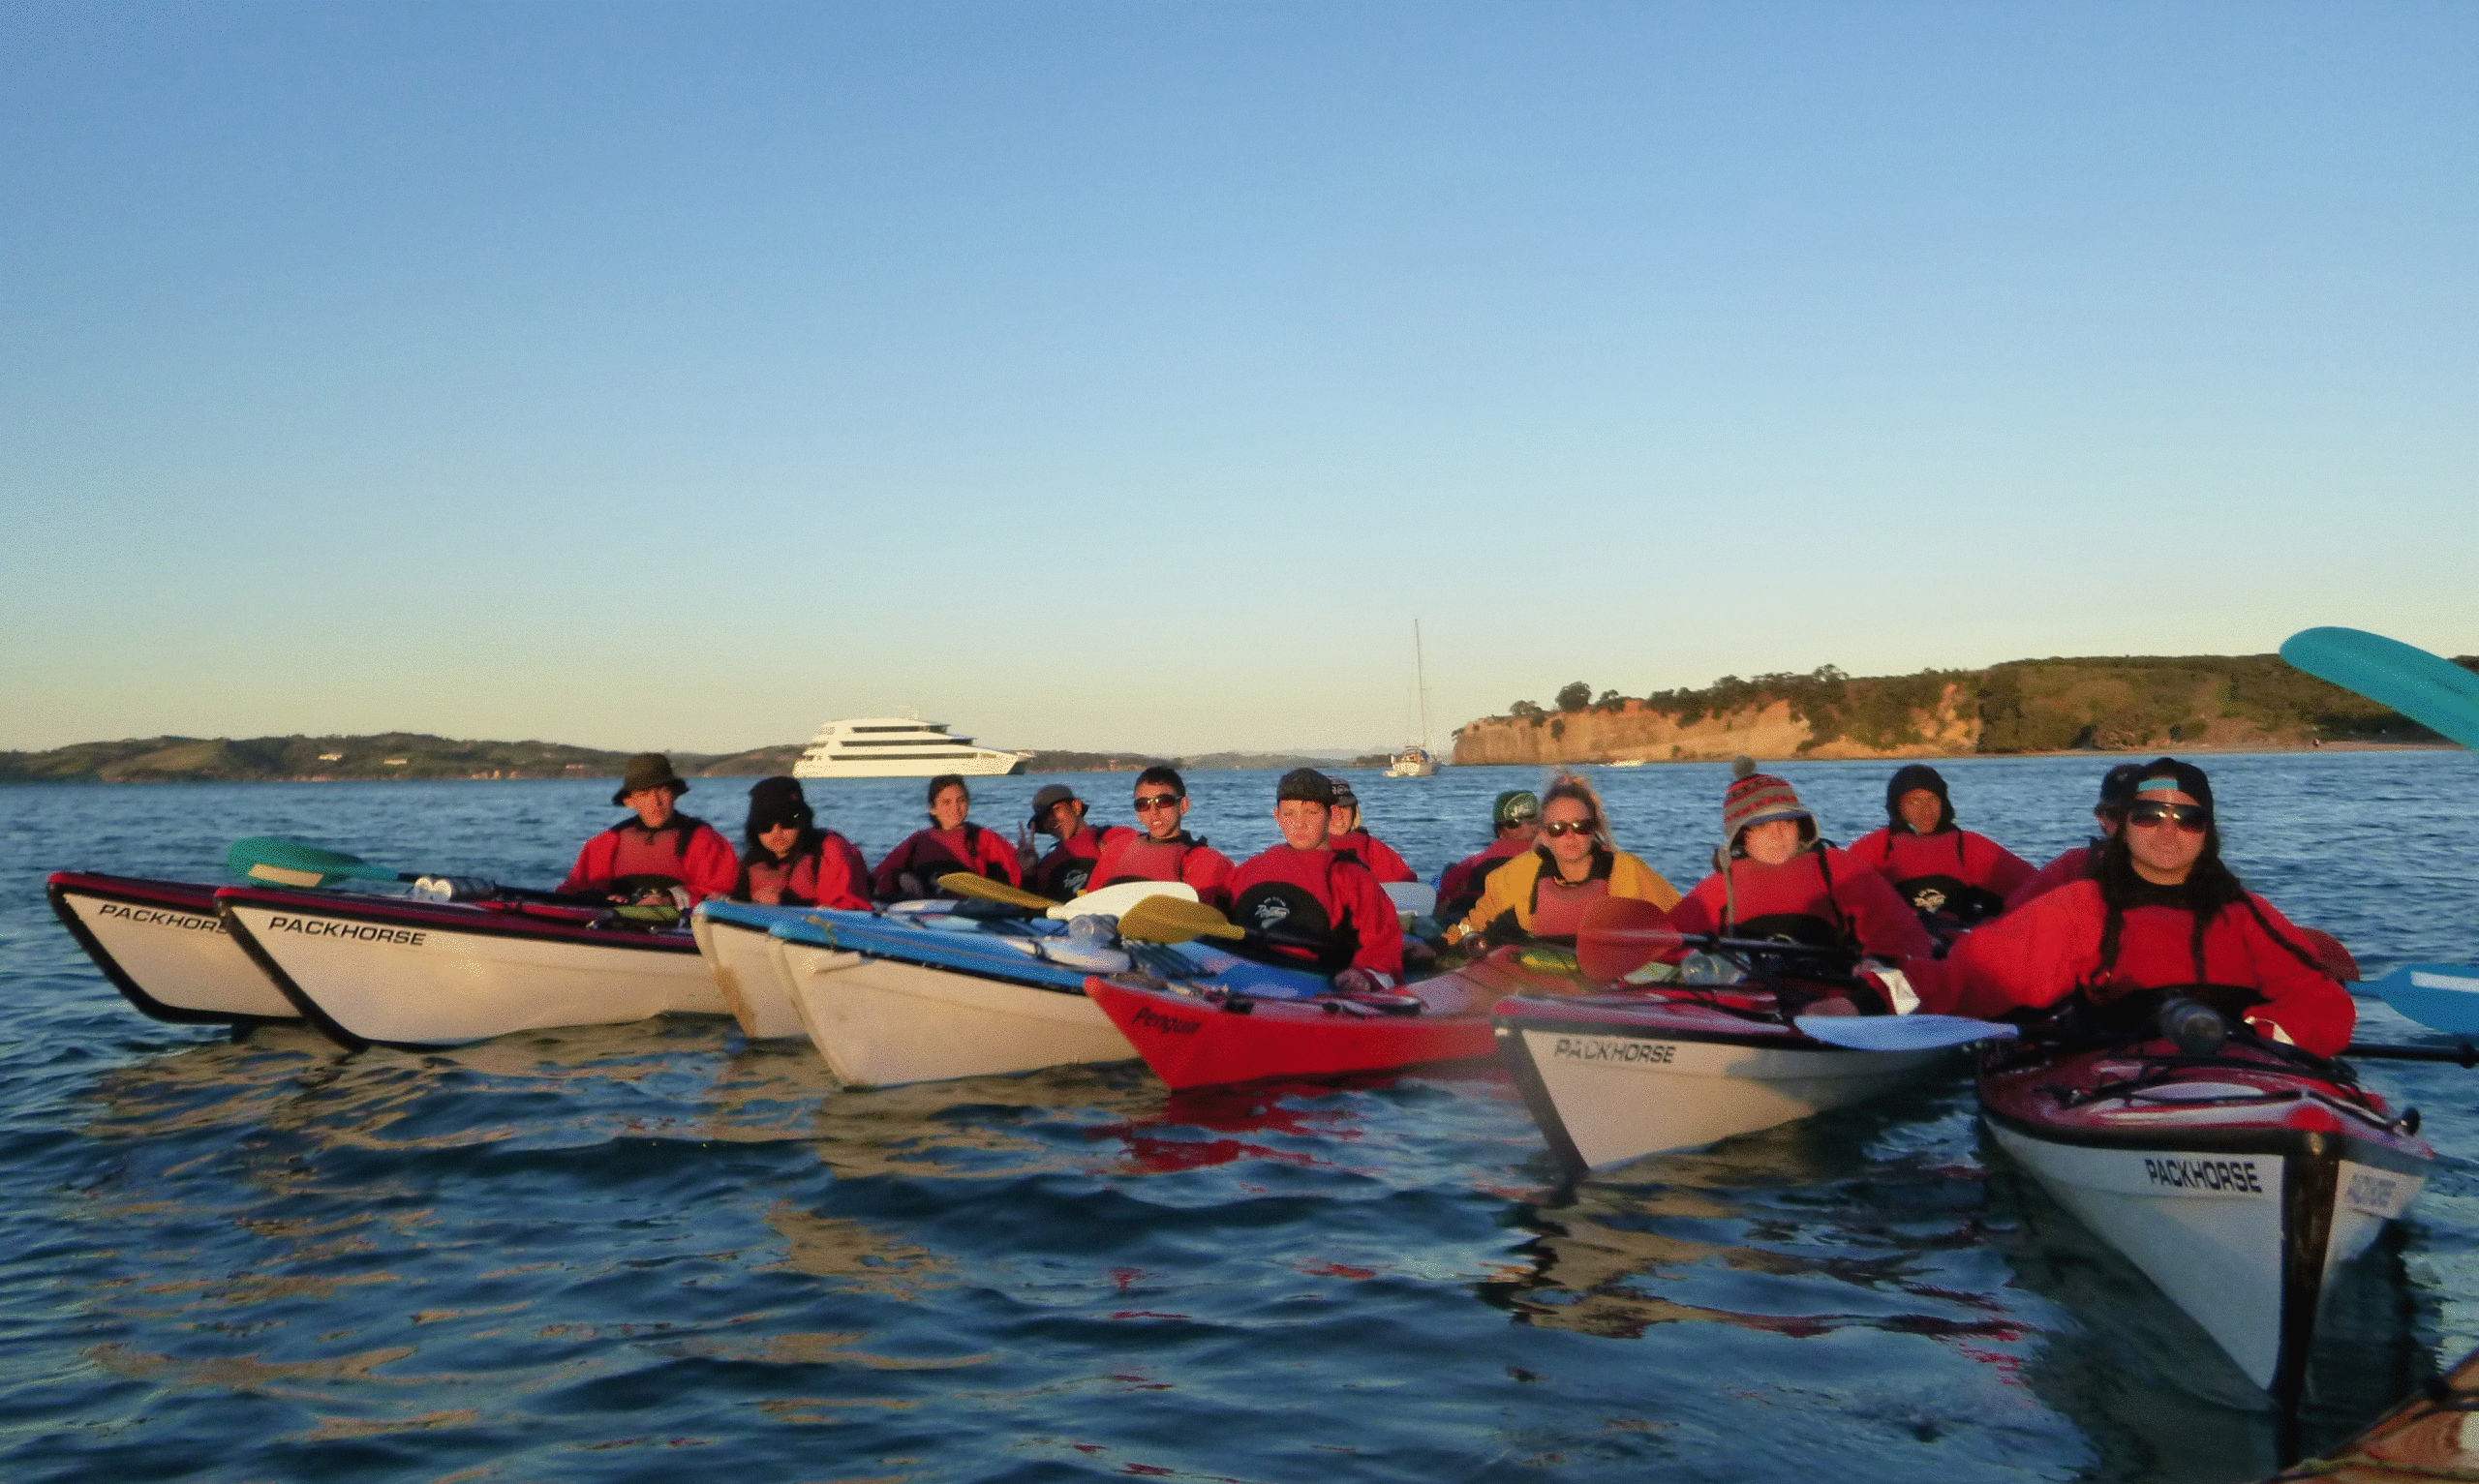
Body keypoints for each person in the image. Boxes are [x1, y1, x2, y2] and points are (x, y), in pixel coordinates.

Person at [1901, 758, 2353, 1055]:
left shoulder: (2246, 913)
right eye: (2147, 816)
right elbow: (1968, 976)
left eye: (2187, 818)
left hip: (2228, 1074)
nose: (2167, 832)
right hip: (2115, 1070)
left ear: (2207, 830)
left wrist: (2251, 1036)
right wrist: (1868, 998)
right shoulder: (2081, 906)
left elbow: (2325, 1005)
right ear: (2123, 826)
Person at [1667, 757, 1935, 970]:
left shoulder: (1838, 869)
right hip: (1750, 1007)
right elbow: (1665, 949)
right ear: (1740, 838)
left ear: (1802, 827)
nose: (1778, 835)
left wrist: (1879, 963)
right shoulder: (1720, 887)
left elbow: (1903, 936)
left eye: (1786, 823)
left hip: (1836, 1003)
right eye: (1761, 827)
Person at [1442, 774, 1678, 950]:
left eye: (1580, 826)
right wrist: (1441, 946)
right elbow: (1475, 923)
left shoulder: (1628, 871)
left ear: (1593, 828)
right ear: (1543, 834)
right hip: (1538, 989)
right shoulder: (1515, 875)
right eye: (1557, 828)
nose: (1570, 836)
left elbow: (1681, 920)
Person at [1223, 768, 1403, 987]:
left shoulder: (1354, 879)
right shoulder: (1248, 870)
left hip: (1315, 986)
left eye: (1311, 812)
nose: (1300, 823)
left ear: (1330, 814)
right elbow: (1213, 917)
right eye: (1289, 814)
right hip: (1245, 977)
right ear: (1277, 817)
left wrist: (1364, 975)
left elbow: (1382, 948)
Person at [1847, 764, 2035, 932]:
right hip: (1901, 946)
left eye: (1932, 800)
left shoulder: (1970, 847)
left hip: (1961, 945)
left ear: (1943, 803)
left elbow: (2036, 886)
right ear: (1897, 806)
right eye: (1914, 802)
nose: (1926, 810)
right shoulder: (1876, 848)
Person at [560, 753, 739, 902]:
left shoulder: (703, 840)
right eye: (645, 794)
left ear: (675, 793)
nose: (656, 802)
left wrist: (669, 899)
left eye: (663, 791)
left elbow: (723, 893)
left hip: (679, 932)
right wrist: (599, 900)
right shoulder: (604, 844)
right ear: (629, 801)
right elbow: (570, 893)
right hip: (617, 930)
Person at [2004, 762, 2148, 912]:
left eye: (2143, 813)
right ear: (2101, 818)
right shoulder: (2074, 867)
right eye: (2116, 814)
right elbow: (2010, 916)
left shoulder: (2171, 867)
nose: (2128, 825)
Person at [1086, 767, 1236, 908]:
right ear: (1138, 813)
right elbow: (1089, 899)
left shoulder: (1204, 861)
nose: (1154, 811)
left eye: (1163, 801)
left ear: (1183, 806)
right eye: (1143, 804)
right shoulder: (1117, 849)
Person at [871, 773, 1024, 902]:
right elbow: (876, 878)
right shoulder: (917, 841)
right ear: (932, 808)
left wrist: (1027, 867)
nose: (955, 808)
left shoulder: (983, 838)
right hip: (925, 915)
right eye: (946, 802)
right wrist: (899, 877)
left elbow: (1020, 877)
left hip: (970, 916)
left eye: (961, 801)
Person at [730, 775, 869, 909]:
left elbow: (848, 910)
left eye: (787, 821)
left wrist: (788, 904)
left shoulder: (829, 850)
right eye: (765, 824)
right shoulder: (751, 862)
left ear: (802, 819)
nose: (776, 831)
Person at [1435, 790, 1541, 925]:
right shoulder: (1554, 857)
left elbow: (1441, 906)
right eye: (1518, 822)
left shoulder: (1470, 865)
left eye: (1534, 820)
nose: (1532, 825)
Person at [1017, 783, 1137, 900]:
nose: (1051, 820)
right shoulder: (1048, 859)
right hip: (1060, 917)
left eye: (1055, 810)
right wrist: (1028, 874)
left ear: (1076, 806)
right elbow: (1030, 909)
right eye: (1044, 818)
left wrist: (1114, 853)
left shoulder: (1111, 837)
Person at [1324, 775, 1419, 884]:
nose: (1339, 815)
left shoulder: (1372, 848)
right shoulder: (1309, 848)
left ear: (1354, 811)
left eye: (1344, 807)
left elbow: (1407, 885)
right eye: (1331, 809)